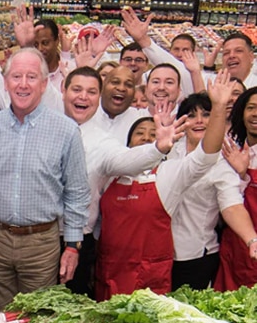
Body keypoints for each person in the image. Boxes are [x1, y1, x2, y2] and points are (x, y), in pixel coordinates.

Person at [0, 48, 90, 310]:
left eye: (31, 77)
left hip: (41, 244)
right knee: (0, 317)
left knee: (37, 320)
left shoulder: (66, 130)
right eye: (16, 76)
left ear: (44, 84)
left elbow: (77, 192)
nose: (23, 84)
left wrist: (72, 246)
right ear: (6, 82)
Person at [94, 71, 232, 301]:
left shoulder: (169, 174)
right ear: (127, 142)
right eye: (140, 133)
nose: (147, 138)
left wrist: (218, 108)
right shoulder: (110, 172)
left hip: (148, 279)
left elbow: (206, 155)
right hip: (108, 273)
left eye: (153, 134)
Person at [61, 66, 173, 299]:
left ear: (98, 97)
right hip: (39, 238)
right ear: (63, 91)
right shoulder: (46, 126)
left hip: (79, 240)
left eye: (91, 92)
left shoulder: (104, 142)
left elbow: (128, 161)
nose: (83, 96)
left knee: (71, 310)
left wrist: (157, 148)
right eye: (77, 89)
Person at [169, 93, 257, 290]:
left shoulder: (223, 160)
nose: (199, 120)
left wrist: (252, 239)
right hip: (154, 252)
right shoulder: (168, 152)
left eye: (207, 114)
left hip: (195, 253)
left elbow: (231, 205)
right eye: (191, 115)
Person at [214, 86, 257, 291]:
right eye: (251, 107)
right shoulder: (231, 152)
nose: (255, 113)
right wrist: (240, 175)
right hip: (235, 248)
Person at [96, 66, 146, 145]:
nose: (121, 88)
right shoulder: (86, 113)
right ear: (103, 86)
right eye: (115, 82)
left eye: (129, 85)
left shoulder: (140, 119)